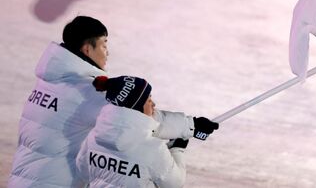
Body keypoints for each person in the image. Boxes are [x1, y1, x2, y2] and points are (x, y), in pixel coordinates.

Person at [9, 16, 218, 187]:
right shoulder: (84, 93)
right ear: (87, 49)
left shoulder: (48, 82)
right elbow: (135, 117)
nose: (107, 52)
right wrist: (191, 126)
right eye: (104, 45)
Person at [76, 75, 208, 187]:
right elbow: (175, 183)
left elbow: (82, 170)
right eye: (149, 100)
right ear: (137, 107)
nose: (154, 104)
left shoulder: (94, 137)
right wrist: (177, 149)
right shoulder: (153, 149)